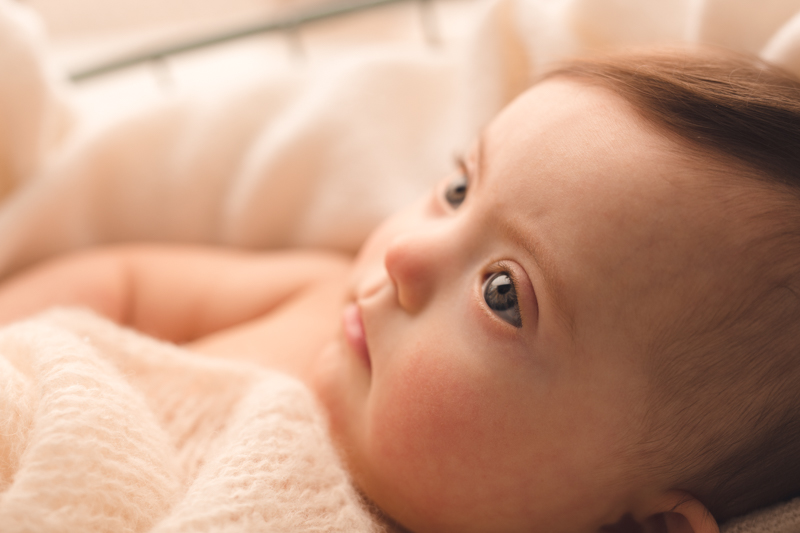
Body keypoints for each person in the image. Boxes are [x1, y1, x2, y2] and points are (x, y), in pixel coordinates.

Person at [1, 47, 799, 533]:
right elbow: (124, 286)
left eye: (503, 296)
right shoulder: (320, 305)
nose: (406, 256)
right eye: (457, 191)